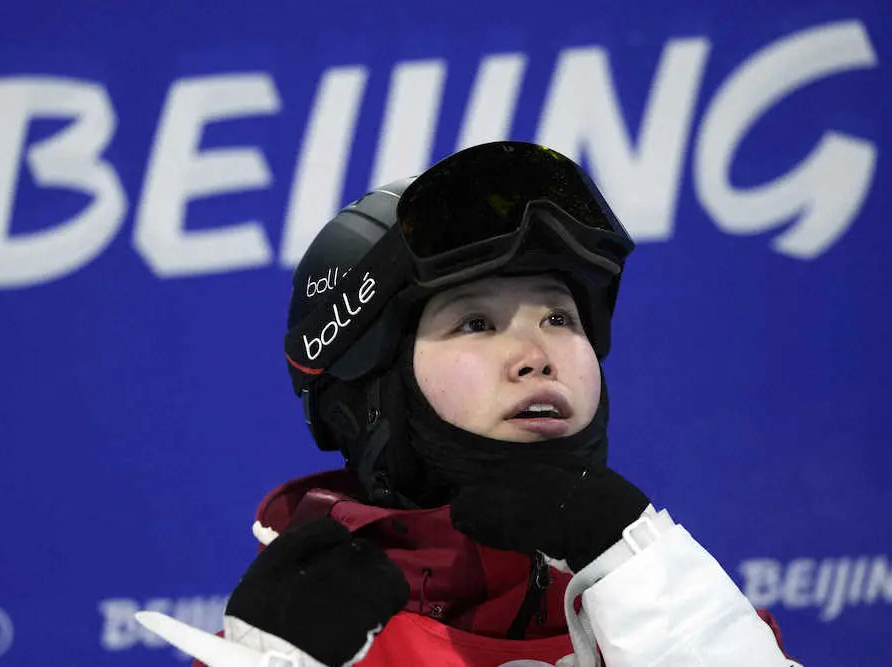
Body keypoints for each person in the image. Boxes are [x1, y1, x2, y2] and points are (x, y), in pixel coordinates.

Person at [136, 141, 800, 667]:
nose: (535, 353)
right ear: (370, 390)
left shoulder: (674, 594)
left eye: (560, 318)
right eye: (476, 323)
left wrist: (644, 573)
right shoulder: (298, 641)